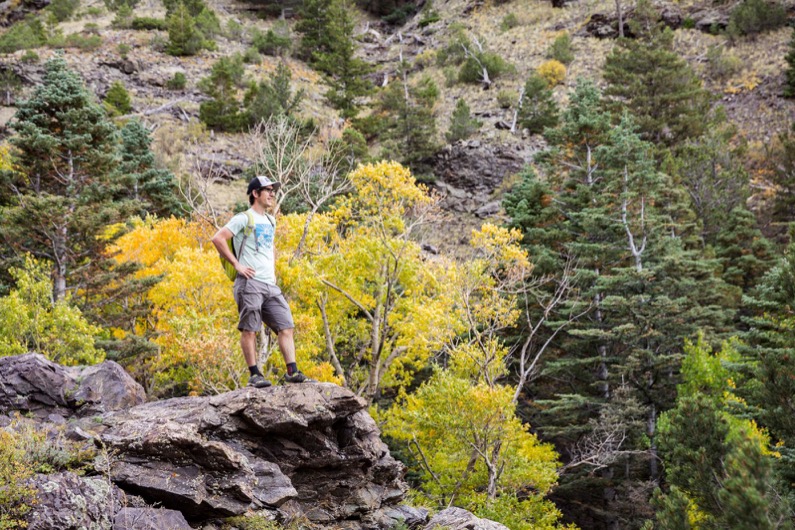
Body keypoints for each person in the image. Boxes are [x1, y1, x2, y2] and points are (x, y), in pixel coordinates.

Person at [212, 176, 312, 388]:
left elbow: (270, 248)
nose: (272, 194)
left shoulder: (270, 220)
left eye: (272, 190)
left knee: (286, 325)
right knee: (250, 329)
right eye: (266, 190)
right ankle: (255, 374)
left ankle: (292, 372)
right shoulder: (243, 218)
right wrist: (237, 265)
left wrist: (273, 273)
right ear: (255, 194)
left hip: (269, 284)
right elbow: (218, 238)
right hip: (249, 283)